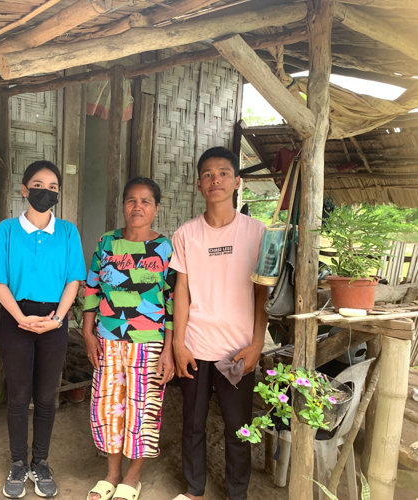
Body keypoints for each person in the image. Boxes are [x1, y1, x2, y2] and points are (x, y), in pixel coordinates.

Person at [170, 147, 269, 500]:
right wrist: (178, 344)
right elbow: (180, 291)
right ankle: (195, 490)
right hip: (196, 346)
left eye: (224, 173)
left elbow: (262, 295)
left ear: (237, 182)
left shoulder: (257, 233)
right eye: (209, 175)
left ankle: (236, 493)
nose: (216, 180)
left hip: (238, 348)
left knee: (237, 427)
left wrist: (257, 343)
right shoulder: (186, 235)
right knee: (193, 425)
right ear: (199, 185)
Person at [0, 160, 86, 499]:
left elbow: (74, 279)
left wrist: (58, 318)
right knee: (18, 396)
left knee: (45, 396)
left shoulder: (68, 232)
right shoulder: (7, 231)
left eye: (54, 187)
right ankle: (17, 463)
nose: (47, 191)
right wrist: (19, 318)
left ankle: (40, 462)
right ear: (25, 189)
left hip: (55, 321)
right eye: (39, 185)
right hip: (16, 319)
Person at [83, 177, 176, 500]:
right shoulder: (107, 242)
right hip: (108, 338)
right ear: (123, 206)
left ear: (156, 208)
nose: (138, 207)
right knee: (110, 406)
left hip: (148, 342)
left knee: (141, 409)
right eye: (131, 201)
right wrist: (87, 330)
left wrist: (169, 350)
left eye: (146, 201)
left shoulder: (164, 248)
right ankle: (112, 473)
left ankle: (133, 477)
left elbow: (172, 301)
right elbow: (92, 288)